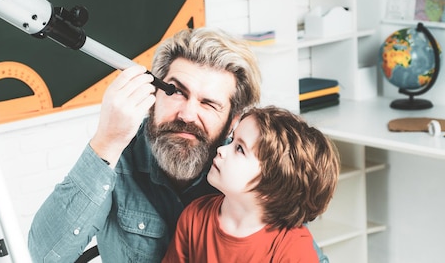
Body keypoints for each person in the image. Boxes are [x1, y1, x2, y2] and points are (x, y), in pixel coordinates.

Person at [28, 27, 326, 263]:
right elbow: (44, 256)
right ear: (153, 95)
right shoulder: (116, 153)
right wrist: (106, 142)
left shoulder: (247, 173)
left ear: (233, 119)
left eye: (209, 104)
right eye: (176, 92)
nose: (186, 114)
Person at [162, 106, 340, 263]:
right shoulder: (195, 216)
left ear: (272, 188)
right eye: (232, 141)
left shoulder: (293, 248)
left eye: (239, 149)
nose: (221, 150)